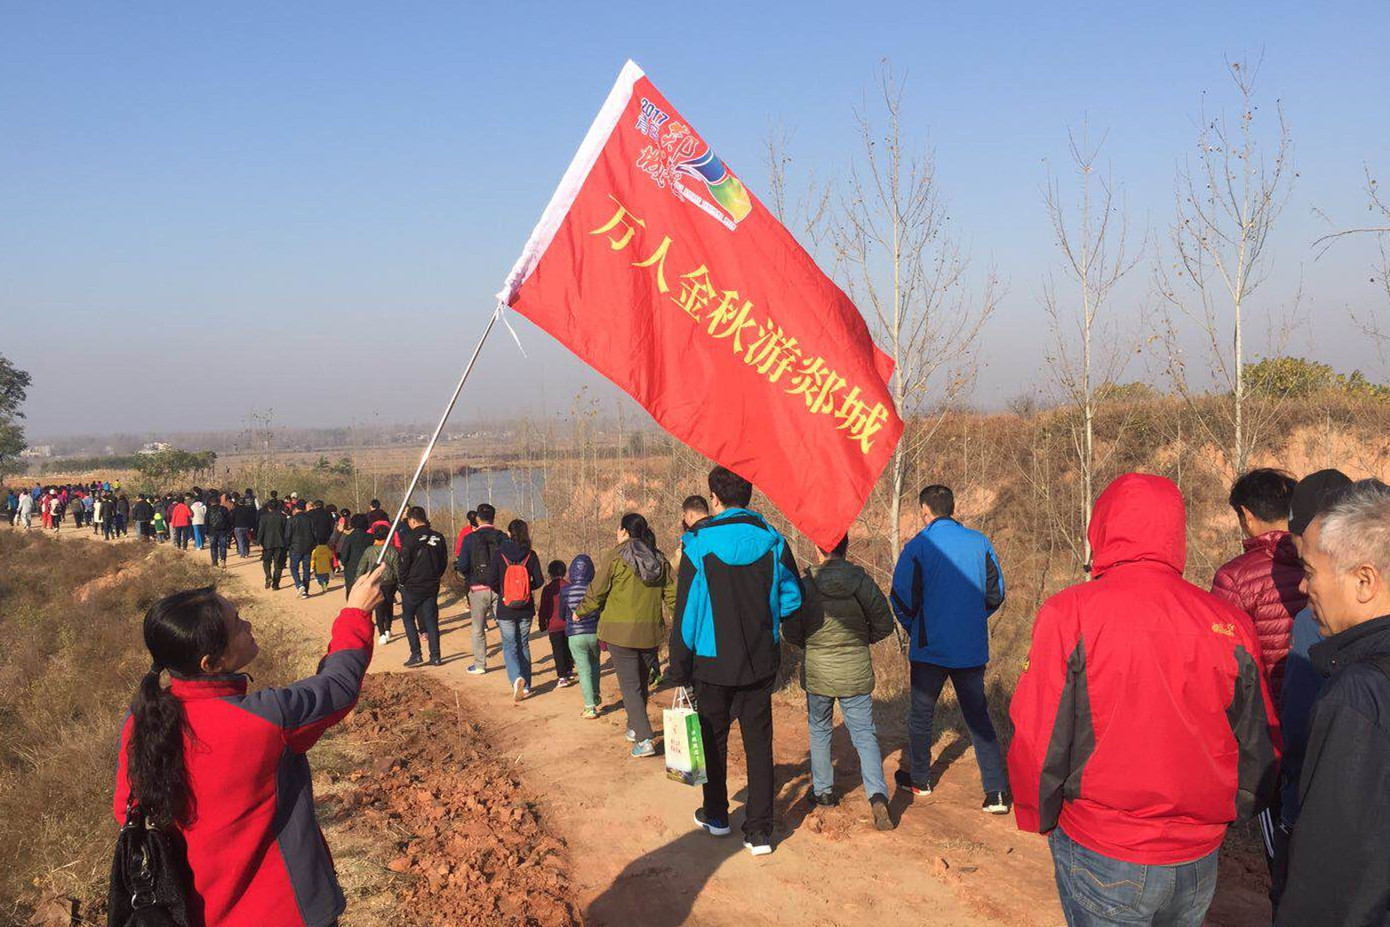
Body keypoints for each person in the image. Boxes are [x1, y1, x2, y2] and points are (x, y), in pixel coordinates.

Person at [1008, 473, 1279, 927]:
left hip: (1104, 844)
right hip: (1198, 855)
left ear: (1102, 528)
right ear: (1175, 533)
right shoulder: (1228, 622)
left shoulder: (1070, 612)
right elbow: (1261, 741)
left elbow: (1039, 735)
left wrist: (1039, 814)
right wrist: (1230, 814)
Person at [114, 565, 386, 927]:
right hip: (282, 911)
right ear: (211, 663)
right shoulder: (264, 720)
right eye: (238, 624)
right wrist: (355, 613)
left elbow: (125, 811)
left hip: (189, 913)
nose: (248, 626)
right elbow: (337, 686)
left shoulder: (141, 722)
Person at [668, 466, 803, 857]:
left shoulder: (697, 544)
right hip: (760, 660)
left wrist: (680, 665)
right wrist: (774, 622)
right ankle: (759, 832)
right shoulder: (773, 541)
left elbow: (687, 613)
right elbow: (792, 597)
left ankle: (716, 814)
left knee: (714, 739)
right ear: (749, 495)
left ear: (714, 498)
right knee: (759, 743)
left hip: (712, 663)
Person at [1274, 479, 1390, 925]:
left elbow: (1329, 878)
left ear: (1364, 580)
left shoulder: (1356, 694)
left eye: (1310, 571)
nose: (1304, 589)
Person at [890, 484, 1010, 813]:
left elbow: (900, 596)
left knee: (921, 715)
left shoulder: (919, 545)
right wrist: (973, 619)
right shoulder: (979, 542)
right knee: (977, 717)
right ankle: (997, 792)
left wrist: (915, 626)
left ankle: (920, 779)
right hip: (970, 647)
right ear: (953, 509)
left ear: (926, 512)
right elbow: (995, 593)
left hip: (930, 647)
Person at [1266, 469, 1353, 908]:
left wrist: (1289, 815)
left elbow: (1299, 732)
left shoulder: (1312, 624)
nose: (1303, 583)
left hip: (1316, 814)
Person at [782, 533, 896, 831]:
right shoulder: (861, 581)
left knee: (820, 729)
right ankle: (877, 796)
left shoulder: (805, 584)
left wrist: (808, 643)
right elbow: (885, 622)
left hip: (819, 670)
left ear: (819, 548)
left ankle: (823, 792)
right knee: (864, 734)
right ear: (846, 548)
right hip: (855, 669)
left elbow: (791, 629)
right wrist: (861, 640)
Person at [581, 513, 676, 754]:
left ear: (624, 531)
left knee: (630, 686)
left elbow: (598, 589)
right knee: (640, 682)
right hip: (651, 630)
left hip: (620, 631)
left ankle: (644, 739)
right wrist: (685, 619)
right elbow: (672, 595)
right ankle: (635, 727)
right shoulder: (659, 557)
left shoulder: (616, 556)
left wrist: (581, 611)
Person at [1211, 468, 1305, 699]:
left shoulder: (1233, 578)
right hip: (1323, 701)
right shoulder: (1321, 558)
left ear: (1247, 514)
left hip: (1266, 715)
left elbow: (1223, 659)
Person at [489, 518, 546, 700]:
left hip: (505, 608)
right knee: (523, 644)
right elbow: (539, 581)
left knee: (509, 645)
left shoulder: (499, 554)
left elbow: (491, 581)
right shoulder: (531, 554)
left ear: (508, 533)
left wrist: (504, 591)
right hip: (526, 608)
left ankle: (516, 678)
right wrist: (525, 591)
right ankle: (527, 685)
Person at [455, 503, 505, 675]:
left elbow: (462, 565)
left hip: (477, 589)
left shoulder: (469, 538)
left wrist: (468, 577)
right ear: (494, 517)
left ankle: (479, 665)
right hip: (500, 588)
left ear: (477, 519)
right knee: (505, 626)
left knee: (477, 629)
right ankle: (513, 661)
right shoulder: (502, 537)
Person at [397, 506, 448, 667]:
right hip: (431, 585)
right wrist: (436, 576)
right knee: (431, 621)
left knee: (408, 618)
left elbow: (404, 563)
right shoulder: (438, 537)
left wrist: (402, 581)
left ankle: (416, 654)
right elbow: (443, 562)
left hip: (413, 585)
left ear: (412, 520)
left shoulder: (409, 539)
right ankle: (436, 656)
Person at [562, 554, 601, 718]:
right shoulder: (595, 588)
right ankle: (596, 695)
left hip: (575, 635)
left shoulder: (565, 591)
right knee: (595, 666)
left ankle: (590, 707)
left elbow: (561, 614)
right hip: (595, 633)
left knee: (583, 670)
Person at [362, 521, 401, 645]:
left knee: (379, 608)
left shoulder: (369, 550)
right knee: (388, 605)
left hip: (375, 581)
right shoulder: (392, 550)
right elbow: (398, 568)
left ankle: (382, 633)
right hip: (390, 582)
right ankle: (388, 628)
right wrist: (400, 582)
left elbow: (362, 566)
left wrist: (359, 581)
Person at [539, 559, 574, 686]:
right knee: (568, 648)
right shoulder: (569, 587)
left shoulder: (547, 589)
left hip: (554, 625)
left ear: (550, 573)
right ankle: (569, 669)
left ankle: (562, 677)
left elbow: (543, 609)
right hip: (569, 624)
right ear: (564, 572)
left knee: (558, 650)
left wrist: (542, 624)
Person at [286, 502, 317, 598]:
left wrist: (287, 546)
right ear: (304, 508)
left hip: (295, 547)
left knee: (294, 567)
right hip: (308, 547)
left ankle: (299, 585)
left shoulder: (292, 519)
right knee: (306, 568)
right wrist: (314, 544)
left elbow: (288, 534)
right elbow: (314, 533)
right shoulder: (310, 519)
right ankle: (305, 590)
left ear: (296, 508)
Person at [257, 499, 289, 590]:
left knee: (266, 562)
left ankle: (268, 576)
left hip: (267, 543)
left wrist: (259, 540)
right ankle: (275, 584)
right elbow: (286, 531)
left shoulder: (264, 517)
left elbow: (261, 530)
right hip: (280, 543)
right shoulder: (283, 517)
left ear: (268, 507)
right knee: (278, 564)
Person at [341, 513, 376, 597]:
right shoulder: (371, 538)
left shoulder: (350, 537)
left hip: (351, 571)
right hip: (368, 571)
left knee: (352, 596)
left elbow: (344, 557)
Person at [207, 493, 233, 568]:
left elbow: (206, 521)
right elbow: (229, 520)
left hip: (212, 531)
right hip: (223, 531)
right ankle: (223, 560)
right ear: (219, 501)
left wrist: (206, 531)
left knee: (213, 547)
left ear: (210, 502)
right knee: (223, 546)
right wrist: (228, 529)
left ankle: (214, 562)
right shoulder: (223, 509)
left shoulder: (209, 510)